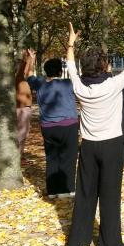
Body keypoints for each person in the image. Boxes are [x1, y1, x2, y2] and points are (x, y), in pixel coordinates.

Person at [65, 21, 124, 246]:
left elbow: (70, 66)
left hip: (88, 146)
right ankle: (109, 243)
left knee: (85, 193)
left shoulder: (79, 87)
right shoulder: (114, 84)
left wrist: (71, 44)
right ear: (104, 66)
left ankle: (78, 241)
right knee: (110, 195)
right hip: (112, 146)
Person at [28, 58, 79, 198]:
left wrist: (31, 59)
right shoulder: (68, 84)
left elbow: (29, 74)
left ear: (46, 71)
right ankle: (67, 189)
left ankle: (52, 191)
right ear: (60, 71)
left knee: (52, 158)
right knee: (68, 157)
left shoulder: (39, 84)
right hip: (68, 125)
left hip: (48, 127)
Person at [15, 49, 35, 154]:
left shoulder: (22, 78)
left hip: (25, 108)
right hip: (22, 108)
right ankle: (17, 155)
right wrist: (26, 57)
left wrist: (32, 58)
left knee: (24, 133)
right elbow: (24, 69)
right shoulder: (18, 77)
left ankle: (19, 154)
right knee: (21, 133)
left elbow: (29, 70)